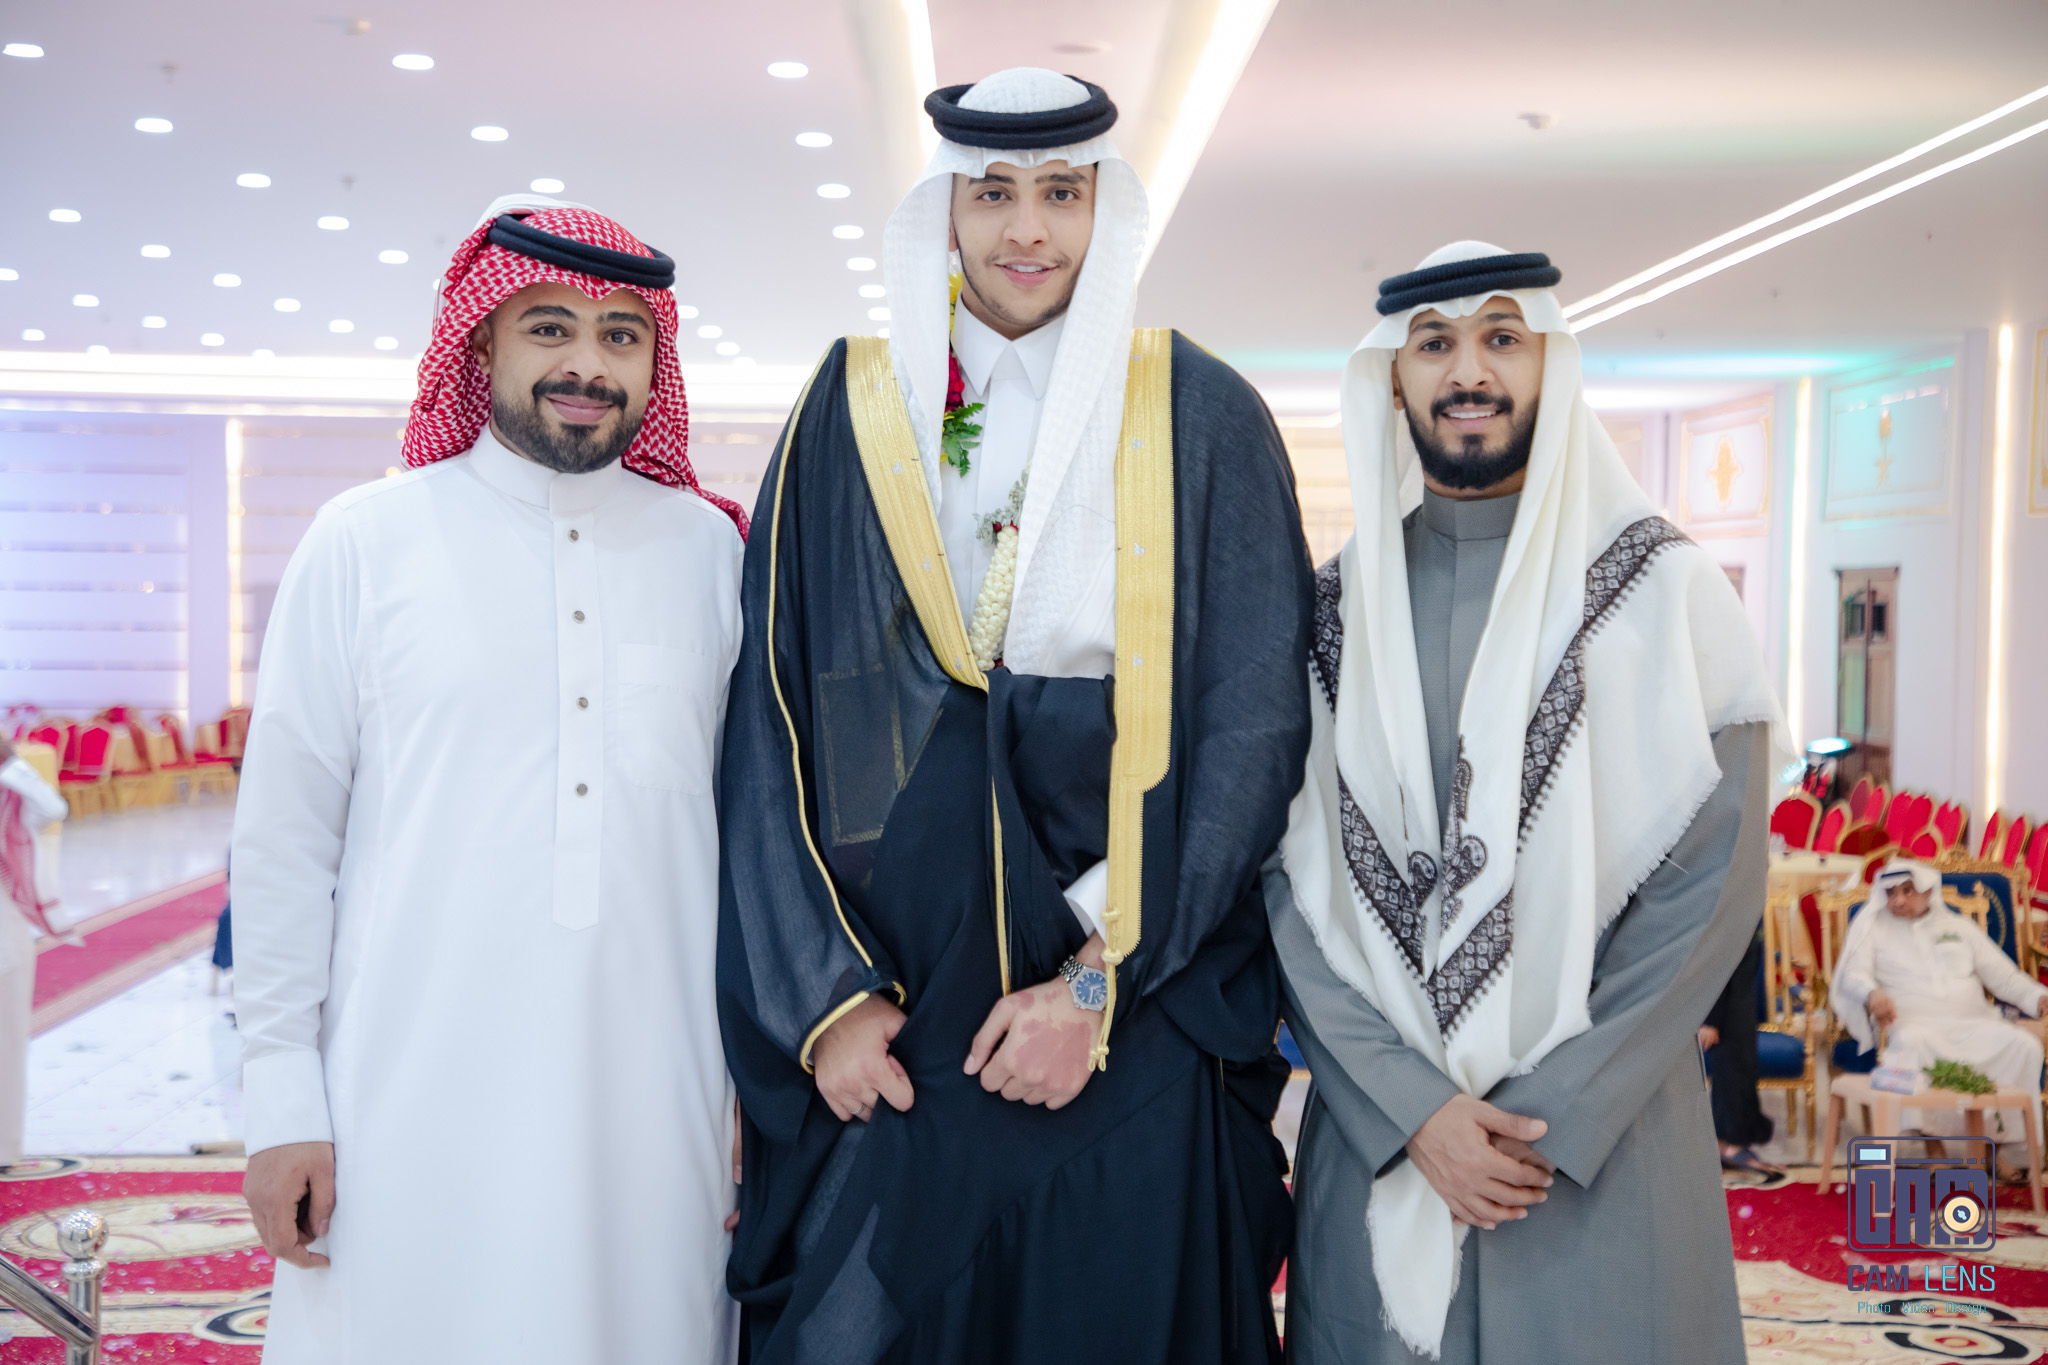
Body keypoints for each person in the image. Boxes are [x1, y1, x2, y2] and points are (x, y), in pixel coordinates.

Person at [717, 67, 1310, 1365]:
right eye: (990, 193)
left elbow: (1253, 725)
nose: (1026, 229)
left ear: (1108, 209)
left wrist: (1099, 977)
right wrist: (829, 1002)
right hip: (901, 999)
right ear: (944, 208)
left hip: (1132, 997)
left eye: (1060, 193)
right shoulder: (850, 410)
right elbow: (770, 722)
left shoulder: (1200, 410)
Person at [232, 195, 749, 1364]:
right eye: (549, 326)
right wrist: (281, 1101)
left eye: (621, 335)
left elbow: (753, 844)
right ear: (480, 344)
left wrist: (750, 1094)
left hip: (653, 1100)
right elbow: (284, 841)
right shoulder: (365, 541)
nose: (587, 364)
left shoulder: (711, 552)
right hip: (405, 1093)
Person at [1266, 242, 1783, 1364]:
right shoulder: (1324, 620)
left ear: (1550, 361)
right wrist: (1412, 1108)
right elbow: (1284, 891)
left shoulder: (1667, 598)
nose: (1469, 371)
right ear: (1390, 379)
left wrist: (1550, 1117)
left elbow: (1713, 882)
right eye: (1434, 344)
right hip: (1383, 1150)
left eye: (1501, 337)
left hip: (1600, 1162)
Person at [1834, 857, 2047, 1168]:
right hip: (1914, 1023)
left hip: (1974, 1023)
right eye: (1891, 893)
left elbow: (2004, 977)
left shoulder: (1960, 928)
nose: (1898, 900)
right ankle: (1935, 1153)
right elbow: (1853, 974)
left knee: (2023, 1046)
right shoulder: (1873, 929)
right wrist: (1873, 993)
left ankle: (1990, 1152)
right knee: (1910, 1043)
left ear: (1928, 890)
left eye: (1907, 891)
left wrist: (2038, 998)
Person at [0, 737, 66, 1168]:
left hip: (7, 931)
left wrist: (11, 764)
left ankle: (3, 1146)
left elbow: (52, 808)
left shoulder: (10, 793)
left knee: (6, 1039)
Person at [1699, 927, 1780, 1176]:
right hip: (1724, 1008)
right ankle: (1729, 1145)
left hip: (1741, 995)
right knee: (1731, 1066)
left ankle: (1733, 1142)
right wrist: (1710, 1020)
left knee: (1743, 1064)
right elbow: (1717, 966)